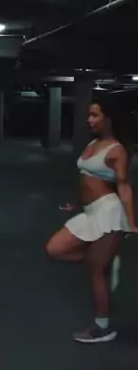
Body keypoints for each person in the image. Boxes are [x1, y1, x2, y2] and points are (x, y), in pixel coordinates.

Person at [46, 97, 137, 344]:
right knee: (54, 249)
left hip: (108, 212)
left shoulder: (117, 150)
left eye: (95, 115)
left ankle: (102, 327)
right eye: (89, 115)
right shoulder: (93, 143)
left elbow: (124, 187)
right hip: (90, 211)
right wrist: (78, 203)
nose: (89, 120)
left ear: (109, 119)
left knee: (96, 273)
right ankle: (105, 261)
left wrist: (131, 223)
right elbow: (86, 179)